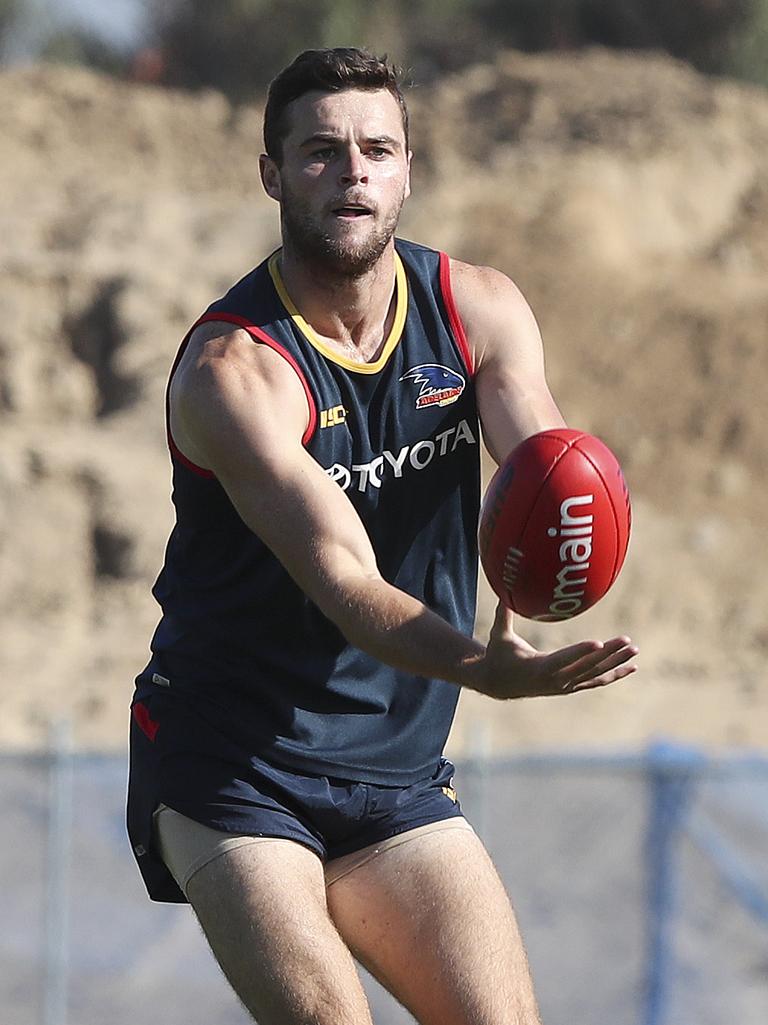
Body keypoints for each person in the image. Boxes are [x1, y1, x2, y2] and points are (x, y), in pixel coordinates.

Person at [128, 47, 638, 1025]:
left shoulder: (475, 310)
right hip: (232, 767)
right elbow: (343, 578)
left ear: (407, 168)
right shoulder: (236, 372)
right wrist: (479, 666)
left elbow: (548, 465)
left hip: (395, 774)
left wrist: (569, 554)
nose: (353, 171)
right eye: (321, 152)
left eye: (377, 148)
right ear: (272, 174)